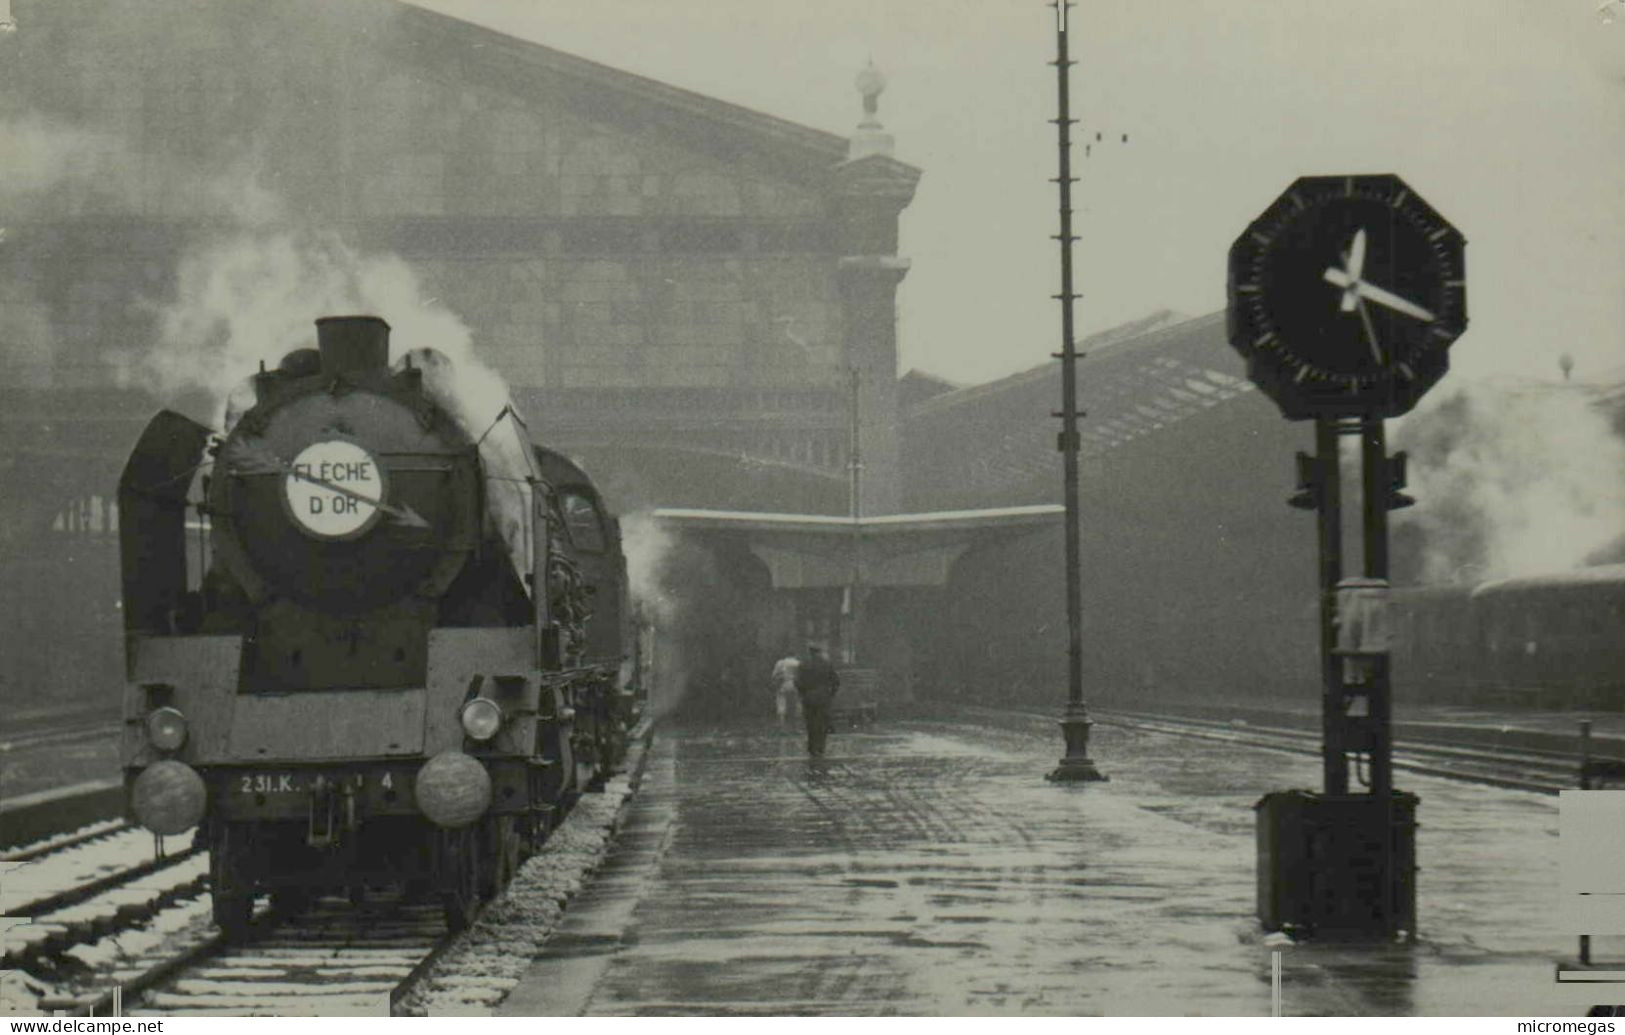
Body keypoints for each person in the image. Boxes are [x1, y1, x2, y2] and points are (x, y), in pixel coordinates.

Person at [794, 643, 840, 757]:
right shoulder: (827, 664)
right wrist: (831, 693)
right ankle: (820, 747)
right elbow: (836, 681)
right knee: (822, 723)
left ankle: (812, 747)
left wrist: (803, 693)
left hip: (809, 697)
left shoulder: (803, 665)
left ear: (810, 652)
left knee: (811, 723)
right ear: (819, 652)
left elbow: (797, 682)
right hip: (824, 697)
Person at [769, 652, 801, 729]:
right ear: (795, 655)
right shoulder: (798, 663)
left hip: (784, 684)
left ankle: (781, 721)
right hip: (796, 684)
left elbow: (774, 675)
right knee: (797, 702)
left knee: (781, 701)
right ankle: (796, 722)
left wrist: (775, 681)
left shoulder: (781, 662)